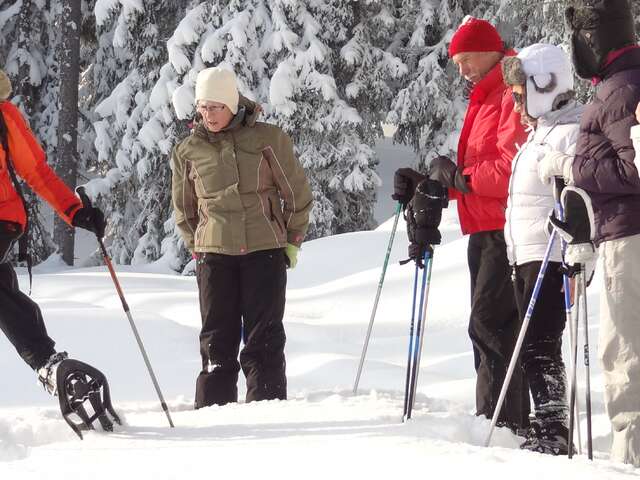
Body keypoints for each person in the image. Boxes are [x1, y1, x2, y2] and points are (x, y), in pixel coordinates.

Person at [393, 17, 530, 430]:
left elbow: (512, 168)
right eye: (457, 63)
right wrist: (432, 182)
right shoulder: (484, 97)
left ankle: (502, 424)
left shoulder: (512, 91)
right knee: (488, 325)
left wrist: (459, 178)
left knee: (491, 325)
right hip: (484, 228)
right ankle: (499, 419)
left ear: (490, 50)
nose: (463, 69)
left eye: (467, 59)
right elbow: (473, 174)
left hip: (508, 229)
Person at [171, 67, 312, 408]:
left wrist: (292, 240)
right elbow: (184, 209)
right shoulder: (188, 151)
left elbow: (296, 193)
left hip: (264, 249)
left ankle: (267, 409)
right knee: (217, 338)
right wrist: (199, 247)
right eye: (204, 107)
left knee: (263, 338)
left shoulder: (268, 139)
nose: (209, 115)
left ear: (233, 104)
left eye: (217, 107)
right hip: (213, 254)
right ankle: (211, 414)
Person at [540, 0, 640, 466]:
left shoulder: (622, 90)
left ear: (593, 40)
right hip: (620, 233)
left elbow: (632, 168)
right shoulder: (620, 86)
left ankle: (630, 460)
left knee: (624, 355)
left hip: (630, 239)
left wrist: (571, 166)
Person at [0, 70, 107, 394]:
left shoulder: (4, 117)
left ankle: (47, 362)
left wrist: (73, 210)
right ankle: (52, 366)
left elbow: (36, 171)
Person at [501, 43, 583, 455]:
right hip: (528, 253)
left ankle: (553, 427)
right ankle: (547, 421)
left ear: (543, 87)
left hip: (552, 254)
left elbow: (579, 189)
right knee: (533, 340)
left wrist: (563, 167)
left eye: (520, 95)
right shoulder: (543, 133)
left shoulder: (570, 131)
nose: (516, 105)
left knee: (540, 341)